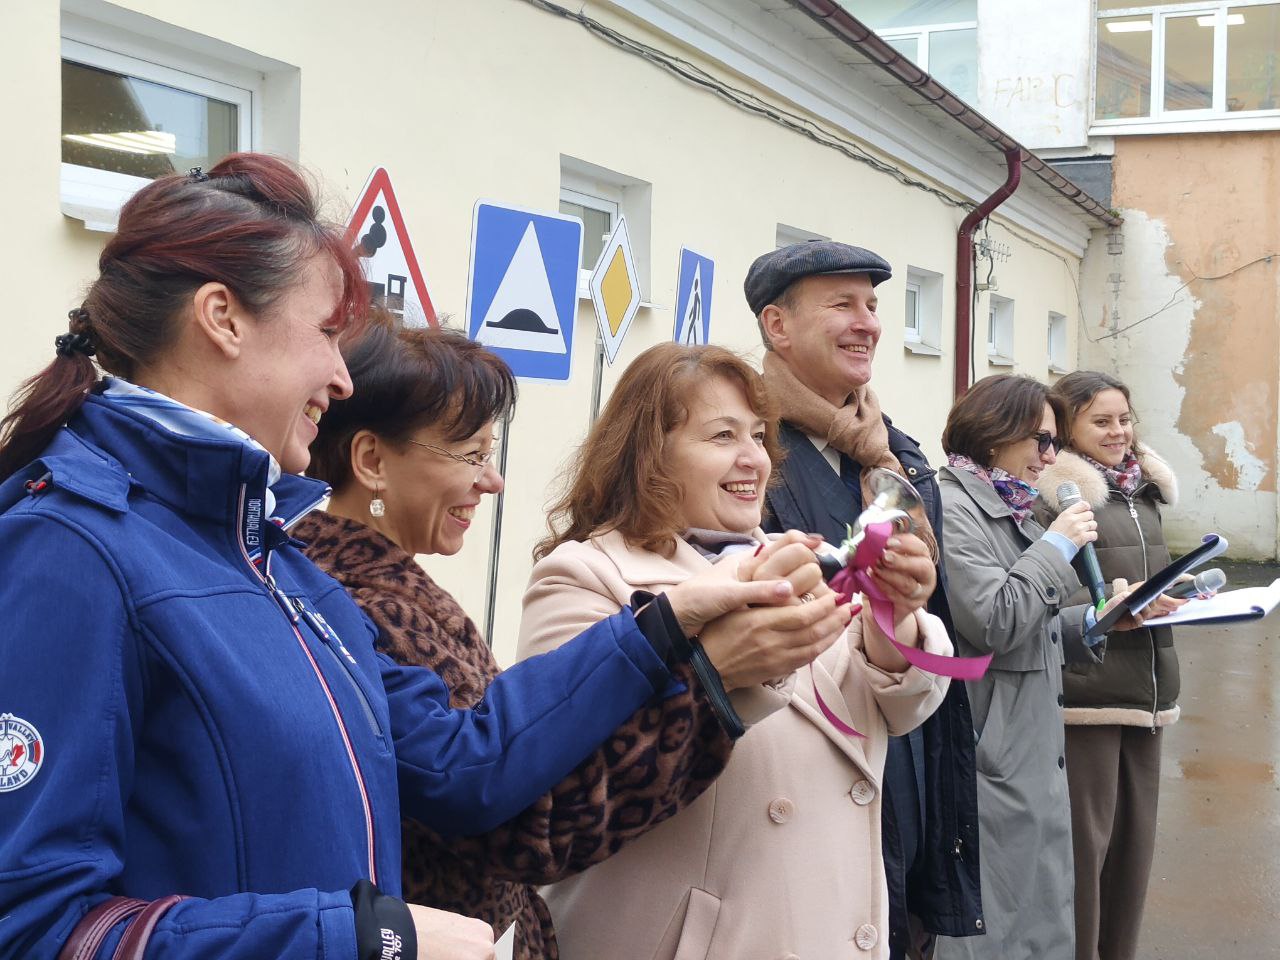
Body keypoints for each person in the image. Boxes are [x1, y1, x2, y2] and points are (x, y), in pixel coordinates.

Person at [0, 155, 845, 960]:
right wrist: (369, 939)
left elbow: (463, 764)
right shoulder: (68, 551)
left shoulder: (282, 566)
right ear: (222, 318)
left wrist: (664, 631)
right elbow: (35, 927)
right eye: (326, 333)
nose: (338, 378)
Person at [295, 320, 838, 959]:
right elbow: (523, 818)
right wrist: (700, 666)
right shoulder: (354, 604)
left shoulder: (385, 589)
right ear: (371, 461)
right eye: (470, 454)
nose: (491, 481)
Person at [517, 342, 953, 960]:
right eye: (722, 436)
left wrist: (896, 616)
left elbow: (894, 710)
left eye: (757, 434)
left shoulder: (787, 552)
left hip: (825, 924)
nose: (754, 458)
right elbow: (577, 782)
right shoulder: (585, 574)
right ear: (649, 456)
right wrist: (730, 659)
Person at [747, 240, 983, 956]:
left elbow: (928, 628)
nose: (869, 323)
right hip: (808, 788)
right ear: (777, 326)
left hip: (913, 768)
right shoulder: (748, 453)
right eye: (842, 304)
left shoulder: (897, 458)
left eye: (874, 306)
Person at [930, 374, 1165, 960]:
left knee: (1036, 913)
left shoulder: (1011, 507)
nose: (1050, 456)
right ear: (993, 434)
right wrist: (1056, 546)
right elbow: (992, 621)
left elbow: (1035, 626)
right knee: (992, 921)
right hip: (992, 744)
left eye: (1053, 441)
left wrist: (1097, 621)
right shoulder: (953, 507)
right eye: (1040, 440)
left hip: (1032, 744)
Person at [1033, 370, 1182, 960]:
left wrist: (1181, 589)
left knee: (1133, 852)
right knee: (1084, 852)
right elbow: (1047, 591)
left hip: (1149, 692)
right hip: (1089, 695)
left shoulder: (1141, 491)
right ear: (1066, 426)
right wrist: (1120, 599)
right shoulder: (1054, 495)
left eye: (1124, 419)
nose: (1118, 432)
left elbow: (1143, 575)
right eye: (1101, 421)